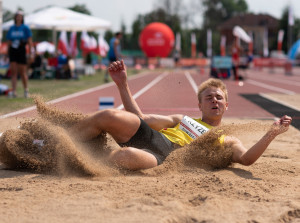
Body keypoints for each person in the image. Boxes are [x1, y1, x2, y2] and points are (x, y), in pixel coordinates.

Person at [66, 60, 292, 170]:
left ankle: (69, 162)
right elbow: (141, 120)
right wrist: (123, 85)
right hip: (157, 139)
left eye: (219, 98)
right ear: (200, 106)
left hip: (165, 158)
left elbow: (246, 159)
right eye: (209, 98)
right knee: (109, 115)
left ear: (226, 106)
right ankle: (56, 141)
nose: (214, 100)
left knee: (123, 157)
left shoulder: (228, 139)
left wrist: (271, 133)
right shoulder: (182, 120)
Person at [6, 11, 33, 98]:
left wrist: (31, 52)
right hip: (13, 50)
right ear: (15, 18)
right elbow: (9, 41)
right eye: (17, 16)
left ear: (22, 18)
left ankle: (26, 90)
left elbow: (29, 41)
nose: (18, 18)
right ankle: (14, 91)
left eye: (20, 16)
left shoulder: (25, 27)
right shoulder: (12, 28)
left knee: (22, 72)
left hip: (21, 49)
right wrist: (7, 53)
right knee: (13, 72)